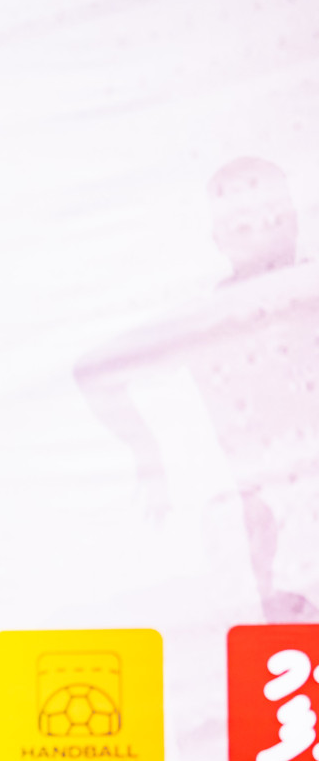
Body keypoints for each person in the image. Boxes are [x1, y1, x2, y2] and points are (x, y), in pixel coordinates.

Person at [76, 156, 319, 623]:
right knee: (291, 675)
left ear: (295, 219)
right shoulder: (209, 322)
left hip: (278, 536)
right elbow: (96, 370)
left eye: (276, 218)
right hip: (276, 543)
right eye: (245, 227)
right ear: (220, 240)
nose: (267, 236)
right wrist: (147, 457)